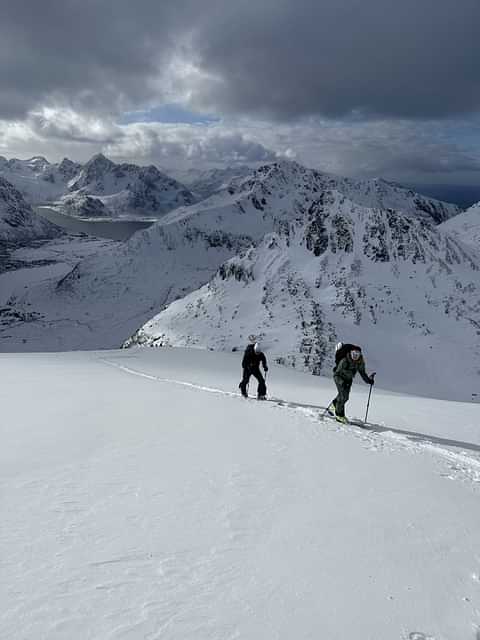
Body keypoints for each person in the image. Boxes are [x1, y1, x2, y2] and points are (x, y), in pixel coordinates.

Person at [328, 345, 375, 424]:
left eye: (357, 354)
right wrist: (342, 383)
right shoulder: (344, 361)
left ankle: (333, 406)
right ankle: (339, 415)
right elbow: (336, 374)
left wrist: (368, 381)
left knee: (343, 396)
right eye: (354, 354)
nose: (355, 356)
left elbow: (362, 373)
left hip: (348, 380)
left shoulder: (360, 362)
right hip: (339, 378)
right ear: (350, 353)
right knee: (344, 397)